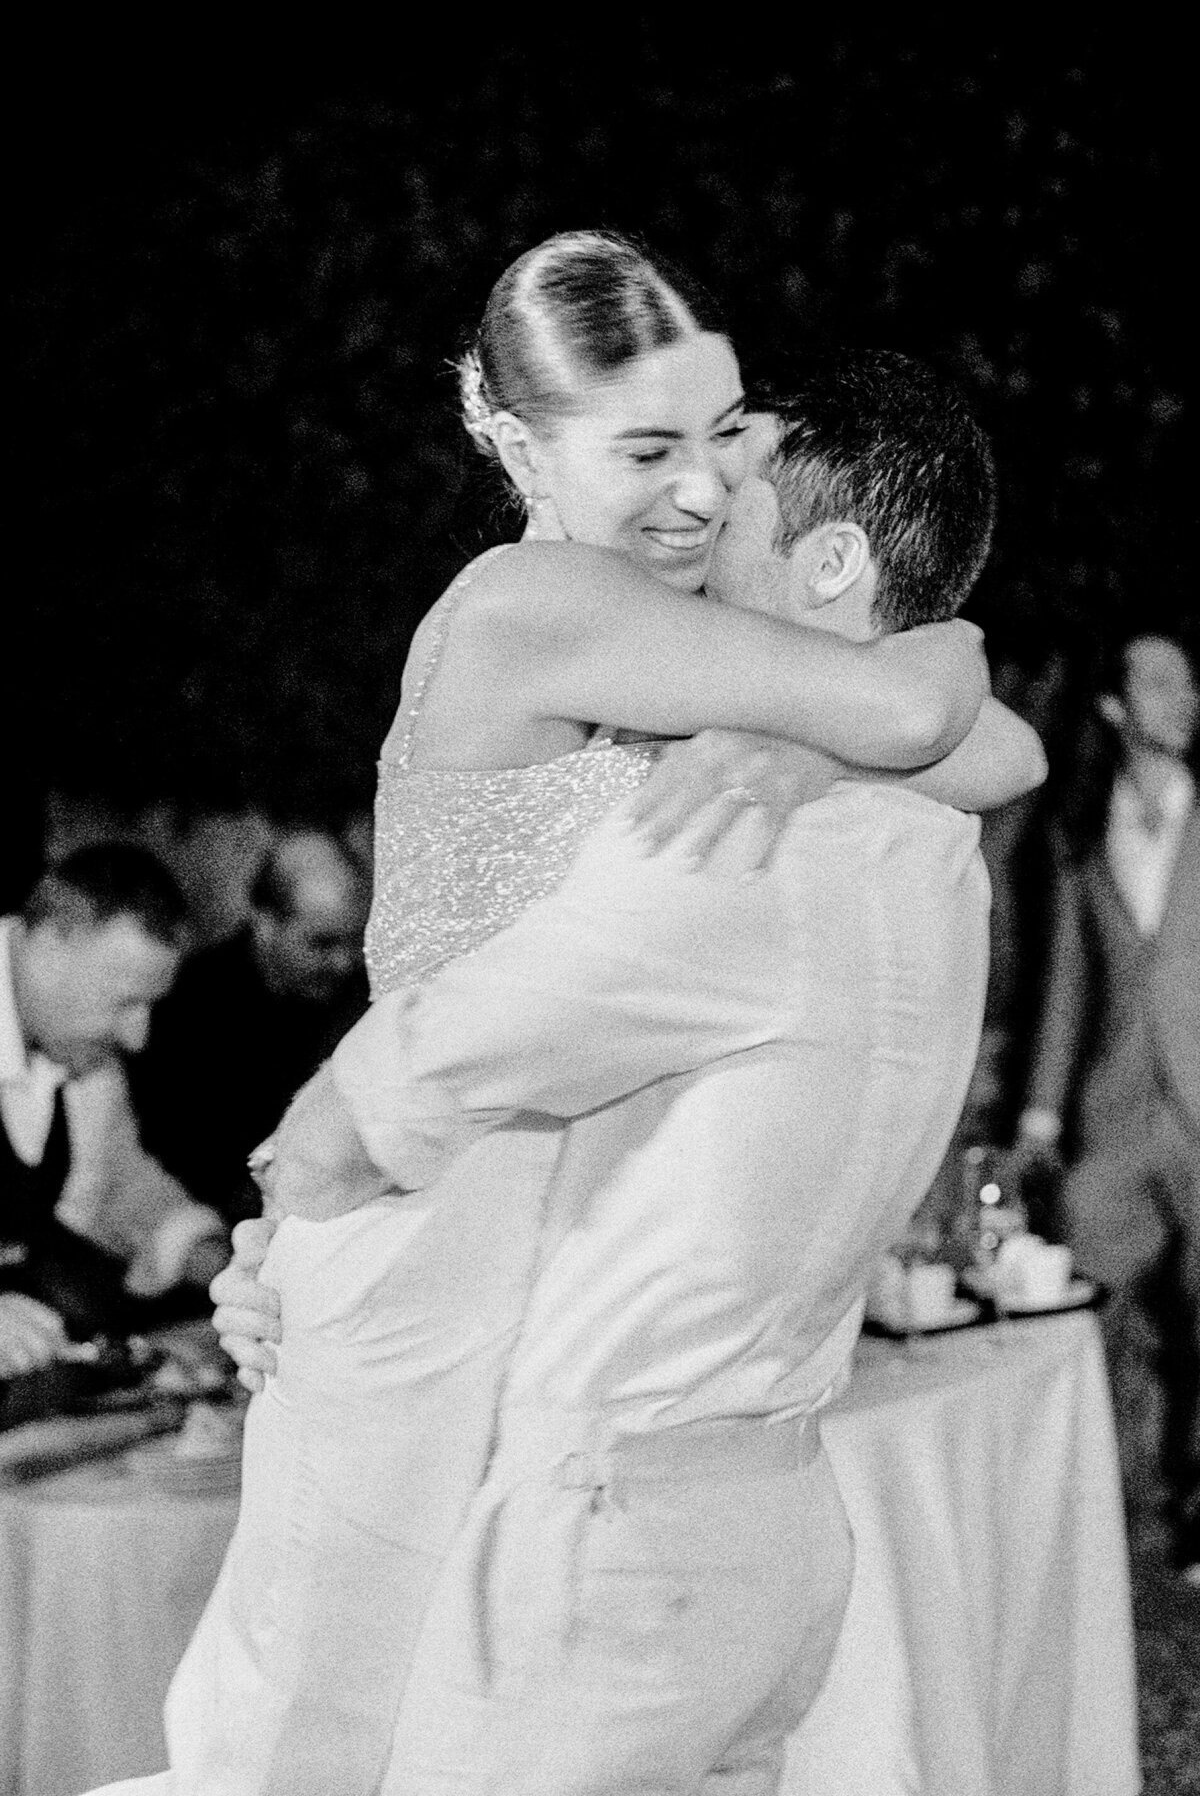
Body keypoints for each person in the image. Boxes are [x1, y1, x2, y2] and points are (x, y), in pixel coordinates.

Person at [88, 237, 1039, 1796]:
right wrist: (883, 687)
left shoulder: (680, 656)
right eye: (647, 449)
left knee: (430, 1735)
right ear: (523, 444)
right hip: (422, 1212)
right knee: (313, 1733)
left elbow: (997, 757)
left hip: (525, 1230)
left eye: (707, 445)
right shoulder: (535, 599)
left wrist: (808, 744)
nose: (690, 496)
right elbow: (939, 712)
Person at [1012, 631, 1200, 1577]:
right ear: (1117, 709)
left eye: (1187, 680)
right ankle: (1076, 1518)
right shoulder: (1079, 832)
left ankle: (1196, 1523)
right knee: (1077, 1295)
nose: (1183, 697)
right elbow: (1066, 986)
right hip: (1119, 1112)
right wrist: (1041, 1120)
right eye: (1159, 682)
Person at [1, 845, 229, 1382]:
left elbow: (118, 1182)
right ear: (52, 943)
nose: (138, 1035)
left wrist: (218, 1261)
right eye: (125, 1002)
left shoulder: (78, 1048)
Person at [131, 829, 369, 1224]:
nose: (343, 963)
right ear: (264, 922)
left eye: (354, 942)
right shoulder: (188, 1006)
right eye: (321, 944)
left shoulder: (356, 991)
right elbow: (174, 1155)